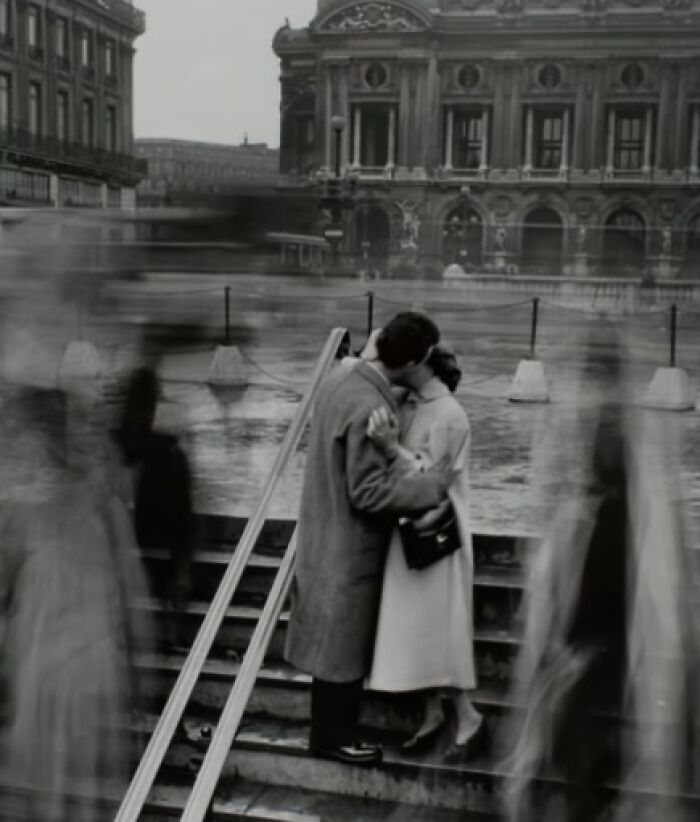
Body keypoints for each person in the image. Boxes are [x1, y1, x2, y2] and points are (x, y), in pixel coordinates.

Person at [285, 312, 452, 766]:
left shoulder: (341, 381)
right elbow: (368, 491)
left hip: (323, 529)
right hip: (349, 544)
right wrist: (430, 487)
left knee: (331, 649)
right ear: (414, 359)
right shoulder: (369, 406)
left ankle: (329, 733)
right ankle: (334, 738)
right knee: (342, 651)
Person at [365, 344, 484, 760]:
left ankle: (467, 717)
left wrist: (389, 448)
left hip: (438, 537)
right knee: (421, 631)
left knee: (439, 630)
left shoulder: (450, 415)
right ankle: (432, 714)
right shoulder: (413, 406)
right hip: (414, 531)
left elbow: (434, 482)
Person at [112, 365, 194, 652]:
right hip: (162, 528)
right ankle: (174, 627)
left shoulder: (132, 443)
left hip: (140, 525)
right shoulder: (169, 454)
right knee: (180, 554)